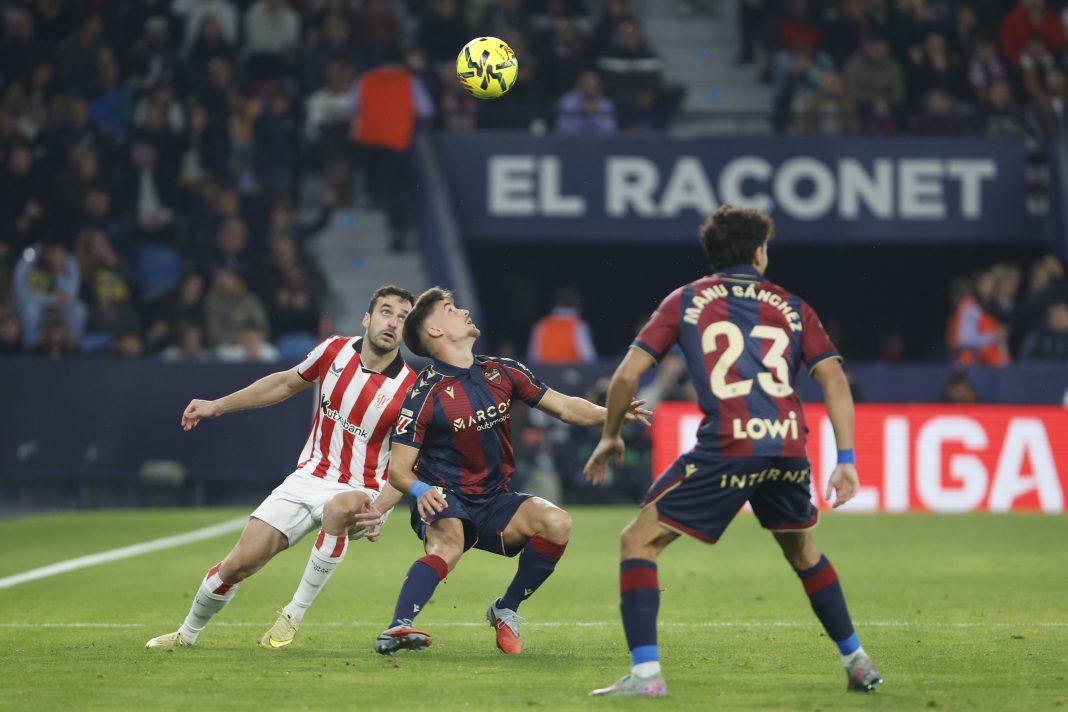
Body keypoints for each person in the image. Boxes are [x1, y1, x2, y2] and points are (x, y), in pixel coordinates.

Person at [584, 205, 882, 697]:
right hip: (788, 446)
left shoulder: (685, 300)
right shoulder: (792, 305)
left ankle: (646, 676)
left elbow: (625, 377)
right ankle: (857, 661)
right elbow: (833, 377)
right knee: (803, 551)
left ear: (713, 254)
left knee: (637, 542)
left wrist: (611, 435)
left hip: (730, 444)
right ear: (759, 252)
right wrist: (846, 460)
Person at [366, 287, 651, 656]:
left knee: (557, 523)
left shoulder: (502, 371)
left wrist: (611, 414)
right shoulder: (423, 396)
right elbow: (399, 471)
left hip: (493, 498)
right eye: (450, 309)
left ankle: (505, 609)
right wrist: (421, 491)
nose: (463, 311)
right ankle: (398, 625)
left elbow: (564, 407)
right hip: (444, 496)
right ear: (435, 331)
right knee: (449, 543)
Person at [145, 285, 416, 651]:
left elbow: (406, 465)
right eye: (386, 312)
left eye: (403, 318)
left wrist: (379, 509)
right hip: (309, 477)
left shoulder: (411, 390)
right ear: (367, 318)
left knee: (340, 508)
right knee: (238, 564)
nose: (393, 322)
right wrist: (217, 405)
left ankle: (292, 615)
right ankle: (186, 634)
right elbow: (285, 383)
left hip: (362, 490)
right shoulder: (333, 350)